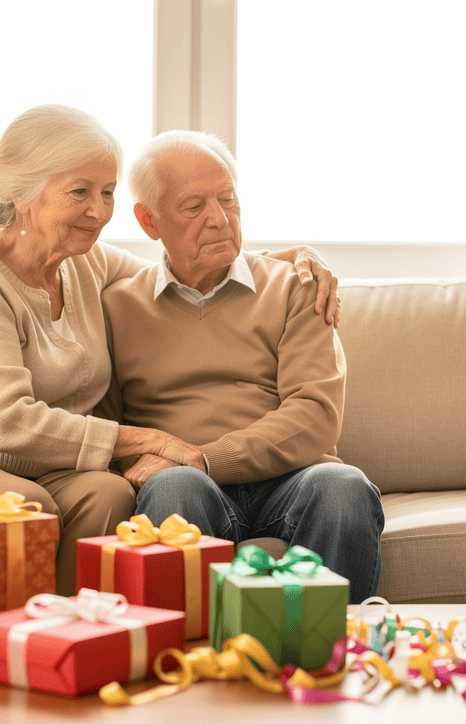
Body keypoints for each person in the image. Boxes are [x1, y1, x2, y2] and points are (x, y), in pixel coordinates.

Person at [0, 105, 340, 595]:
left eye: (107, 193)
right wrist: (148, 440)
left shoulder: (86, 262)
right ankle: (17, 648)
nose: (99, 211)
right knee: (23, 505)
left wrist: (296, 258)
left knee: (108, 491)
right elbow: (8, 422)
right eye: (80, 192)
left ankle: (85, 633)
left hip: (33, 467)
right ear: (23, 194)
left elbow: (185, 263)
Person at [96, 129, 385, 602]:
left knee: (343, 486)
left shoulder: (296, 286)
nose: (219, 219)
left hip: (291, 480)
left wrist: (206, 457)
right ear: (149, 221)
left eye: (227, 199)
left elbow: (315, 416)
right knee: (175, 493)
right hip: (182, 482)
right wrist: (175, 464)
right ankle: (189, 668)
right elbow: (106, 426)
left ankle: (335, 661)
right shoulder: (116, 306)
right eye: (194, 207)